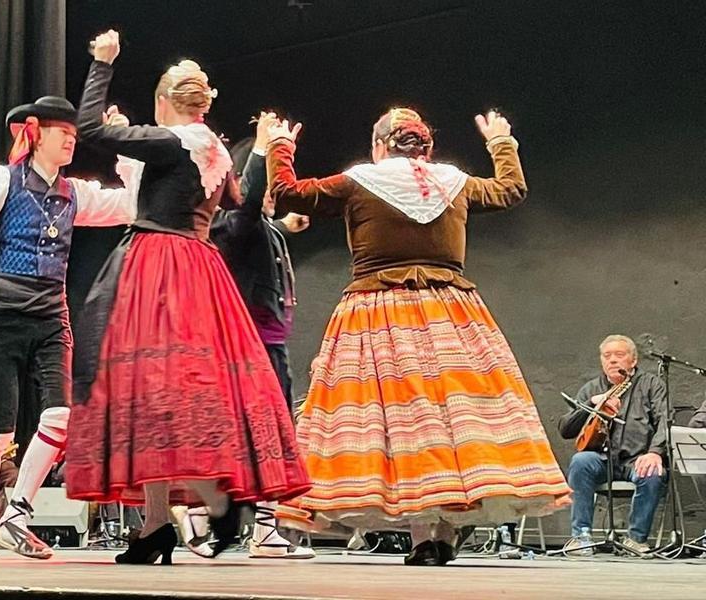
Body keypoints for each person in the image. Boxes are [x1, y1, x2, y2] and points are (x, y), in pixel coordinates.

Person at [266, 107, 571, 566]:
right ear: (427, 147)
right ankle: (441, 531)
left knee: (399, 424)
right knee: (455, 420)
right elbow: (510, 189)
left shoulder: (361, 182)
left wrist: (278, 146)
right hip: (450, 309)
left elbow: (288, 193)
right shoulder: (455, 182)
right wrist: (501, 142)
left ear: (378, 145)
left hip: (378, 311)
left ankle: (423, 536)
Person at [64, 30, 310, 565]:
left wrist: (102, 65)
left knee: (151, 391)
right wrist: (262, 156)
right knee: (166, 393)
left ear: (162, 101)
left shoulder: (174, 142)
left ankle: (214, 502)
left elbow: (85, 129)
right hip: (200, 266)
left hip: (157, 264)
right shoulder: (215, 149)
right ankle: (157, 525)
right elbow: (239, 212)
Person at [0, 92, 138, 560]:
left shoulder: (74, 192)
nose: (72, 143)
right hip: (5, 314)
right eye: (64, 134)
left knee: (60, 416)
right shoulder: (5, 180)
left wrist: (125, 147)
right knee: (0, 432)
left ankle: (15, 516)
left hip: (52, 314)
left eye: (77, 136)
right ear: (37, 134)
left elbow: (130, 206)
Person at [184, 117, 315, 560]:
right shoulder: (227, 221)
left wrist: (285, 218)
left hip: (270, 343)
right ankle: (199, 517)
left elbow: (261, 218)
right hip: (244, 345)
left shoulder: (260, 223)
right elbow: (248, 215)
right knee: (236, 434)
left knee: (272, 435)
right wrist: (266, 150)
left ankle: (263, 527)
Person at [557, 334, 668, 556]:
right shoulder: (592, 388)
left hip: (637, 459)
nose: (613, 360)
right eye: (607, 356)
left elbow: (665, 421)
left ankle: (636, 539)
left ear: (633, 360)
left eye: (619, 355)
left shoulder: (651, 385)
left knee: (653, 472)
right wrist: (591, 404)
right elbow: (566, 429)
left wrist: (655, 453)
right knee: (580, 461)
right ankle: (581, 537)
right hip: (602, 459)